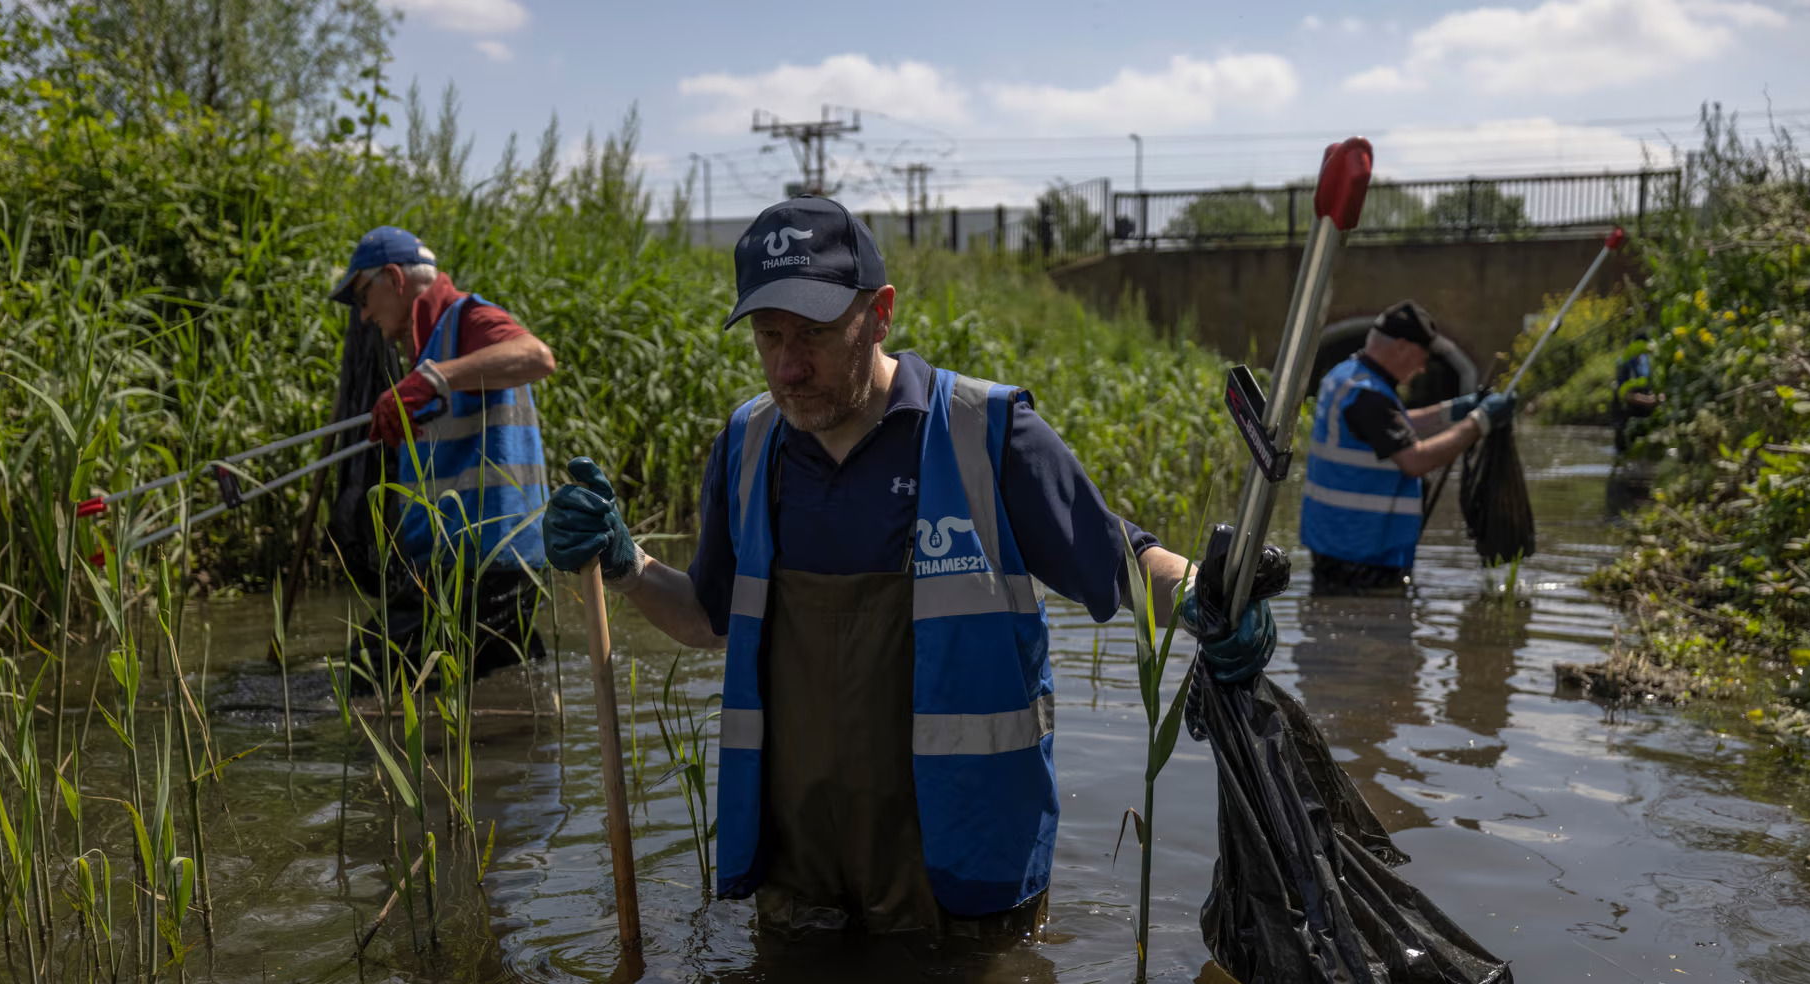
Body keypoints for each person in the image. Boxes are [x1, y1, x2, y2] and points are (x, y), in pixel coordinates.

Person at [543, 195, 1274, 941]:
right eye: (769, 337)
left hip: (963, 880)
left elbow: (1122, 560)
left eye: (816, 334)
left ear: (880, 312)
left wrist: (1207, 598)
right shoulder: (747, 444)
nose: (789, 367)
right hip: (803, 885)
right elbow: (707, 617)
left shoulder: (985, 433)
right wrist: (626, 563)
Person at [329, 225, 558, 682]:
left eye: (362, 297)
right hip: (458, 565)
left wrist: (432, 378)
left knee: (369, 675)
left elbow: (536, 357)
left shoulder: (465, 318)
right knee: (489, 681)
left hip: (491, 562)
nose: (363, 316)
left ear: (393, 278)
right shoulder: (428, 343)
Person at [1299, 300, 1516, 595]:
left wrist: (1455, 411)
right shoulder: (1368, 395)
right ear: (1401, 346)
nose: (1423, 366)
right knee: (1375, 632)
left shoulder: (1346, 376)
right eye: (1422, 355)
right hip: (1361, 555)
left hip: (1338, 543)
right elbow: (1415, 460)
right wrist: (1479, 422)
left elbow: (1390, 427)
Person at [1611, 335, 1661, 455]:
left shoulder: (1647, 360)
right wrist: (1647, 400)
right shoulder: (1624, 362)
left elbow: (1653, 384)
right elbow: (1624, 394)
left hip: (1644, 417)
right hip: (1627, 417)